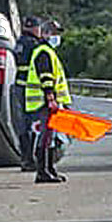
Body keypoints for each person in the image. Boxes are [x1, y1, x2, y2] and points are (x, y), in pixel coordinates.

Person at [25, 18, 72, 184]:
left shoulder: (48, 52)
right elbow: (45, 78)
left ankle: (49, 169)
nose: (56, 36)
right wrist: (50, 98)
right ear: (45, 34)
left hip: (48, 102)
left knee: (50, 137)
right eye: (54, 33)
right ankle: (42, 171)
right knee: (45, 137)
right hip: (44, 103)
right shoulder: (44, 52)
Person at [14, 16, 43, 171]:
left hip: (19, 86)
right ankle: (32, 159)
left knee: (23, 124)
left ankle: (25, 159)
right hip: (31, 88)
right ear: (34, 28)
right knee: (34, 123)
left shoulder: (19, 43)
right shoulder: (34, 44)